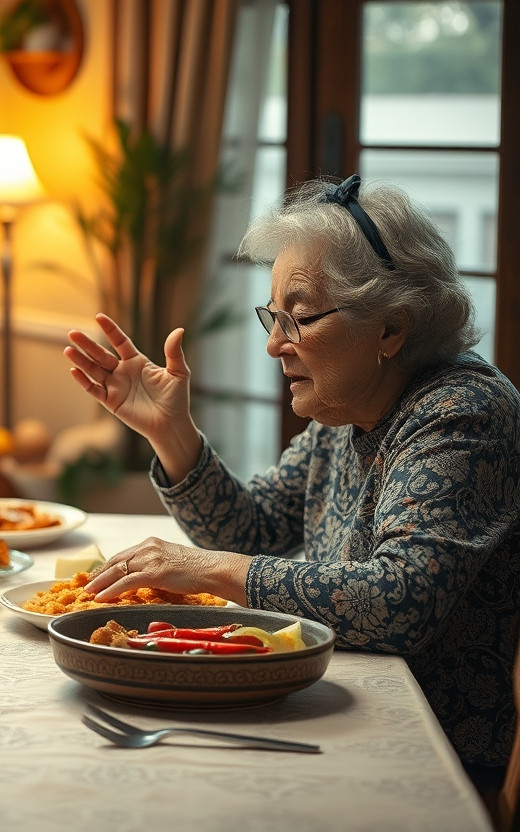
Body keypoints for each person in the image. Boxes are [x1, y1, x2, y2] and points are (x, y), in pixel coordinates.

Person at [64, 175, 520, 791]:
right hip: (344, 714)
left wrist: (208, 568)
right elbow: (254, 529)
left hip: (431, 756)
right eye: (273, 317)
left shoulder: (462, 412)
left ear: (391, 328)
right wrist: (171, 433)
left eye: (300, 318)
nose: (276, 344)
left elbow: (399, 600)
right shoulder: (352, 407)